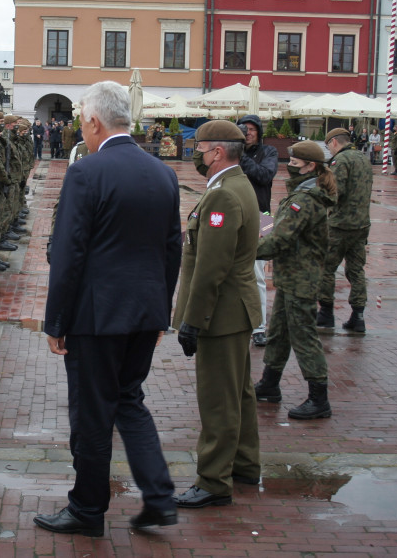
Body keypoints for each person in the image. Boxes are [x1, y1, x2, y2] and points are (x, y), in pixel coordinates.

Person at [36, 81, 180, 536]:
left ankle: (87, 509)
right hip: (144, 311)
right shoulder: (163, 173)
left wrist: (55, 321)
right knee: (129, 400)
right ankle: (158, 496)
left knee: (93, 414)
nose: (83, 130)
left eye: (82, 122)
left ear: (95, 122)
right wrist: (162, 311)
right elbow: (172, 249)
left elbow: (68, 253)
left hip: (96, 318)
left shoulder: (87, 172)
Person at [172, 120, 261, 509]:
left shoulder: (224, 194)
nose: (197, 154)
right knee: (239, 393)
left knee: (218, 400)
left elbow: (212, 266)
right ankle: (243, 464)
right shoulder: (235, 185)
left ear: (218, 152)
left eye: (201, 148)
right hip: (233, 311)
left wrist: (193, 319)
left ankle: (213, 482)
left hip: (220, 314)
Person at [255, 141, 338, 419]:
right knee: (279, 332)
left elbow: (280, 239)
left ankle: (319, 397)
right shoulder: (302, 193)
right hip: (291, 277)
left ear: (310, 166)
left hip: (301, 278)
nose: (288, 166)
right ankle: (269, 384)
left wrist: (244, 251)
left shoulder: (305, 199)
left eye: (294, 162)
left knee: (303, 336)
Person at [316, 127, 373, 334]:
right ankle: (358, 316)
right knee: (356, 271)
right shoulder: (363, 158)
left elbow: (334, 192)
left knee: (326, 267)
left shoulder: (340, 161)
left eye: (327, 145)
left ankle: (326, 313)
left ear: (333, 142)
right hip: (361, 224)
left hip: (339, 226)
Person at [236, 114, 278, 347]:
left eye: (253, 129)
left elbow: (265, 175)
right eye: (244, 129)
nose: (248, 132)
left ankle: (259, 326)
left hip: (263, 217)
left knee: (258, 275)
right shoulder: (229, 151)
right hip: (234, 216)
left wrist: (240, 156)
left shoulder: (269, 152)